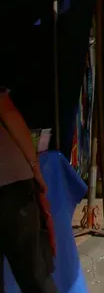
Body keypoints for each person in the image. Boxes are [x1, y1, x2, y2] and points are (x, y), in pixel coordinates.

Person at [0, 89, 57, 293]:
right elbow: (8, 112)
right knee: (35, 276)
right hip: (12, 182)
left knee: (35, 274)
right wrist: (35, 169)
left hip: (11, 181)